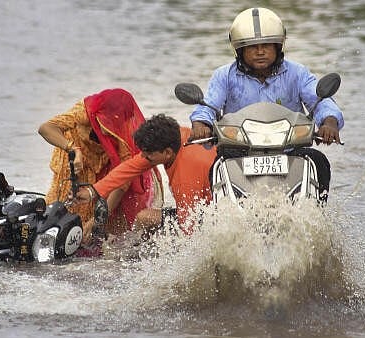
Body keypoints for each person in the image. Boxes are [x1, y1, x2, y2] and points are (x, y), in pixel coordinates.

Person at [188, 7, 344, 144]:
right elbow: (208, 105)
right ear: (240, 50)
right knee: (215, 172)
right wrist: (201, 124)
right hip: (237, 150)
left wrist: (329, 122)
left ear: (278, 47)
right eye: (253, 47)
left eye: (267, 45)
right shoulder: (224, 76)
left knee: (319, 164)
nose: (260, 52)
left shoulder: (298, 73)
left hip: (291, 149)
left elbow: (320, 101)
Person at [38, 88, 162, 245]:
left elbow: (123, 180)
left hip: (102, 167)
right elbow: (46, 128)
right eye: (108, 120)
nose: (112, 126)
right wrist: (73, 149)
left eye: (116, 122)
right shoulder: (84, 112)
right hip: (72, 160)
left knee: (93, 214)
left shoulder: (121, 131)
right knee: (62, 203)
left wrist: (98, 220)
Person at [75, 114, 217, 235]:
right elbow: (129, 168)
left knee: (144, 219)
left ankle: (136, 256)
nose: (143, 157)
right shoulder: (179, 136)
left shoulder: (184, 179)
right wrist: (93, 190)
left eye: (148, 154)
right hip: (207, 200)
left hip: (209, 216)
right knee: (145, 218)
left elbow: (189, 226)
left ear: (167, 153)